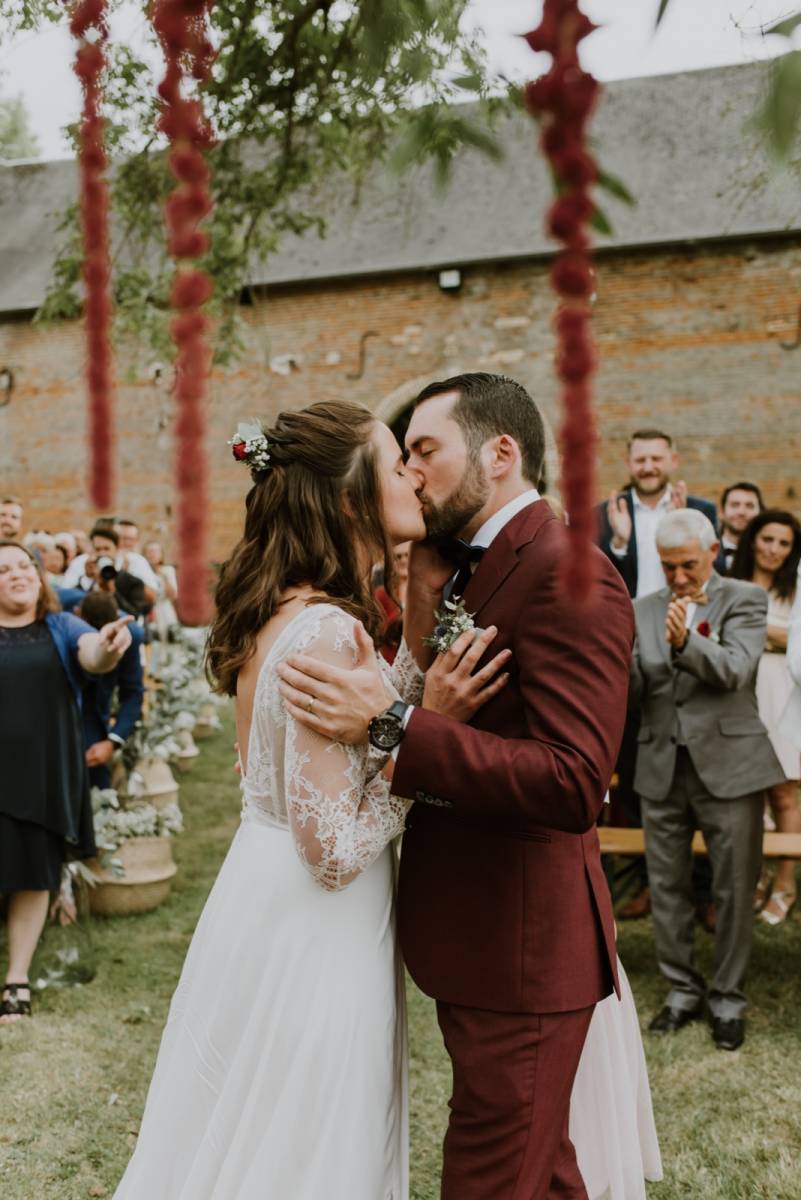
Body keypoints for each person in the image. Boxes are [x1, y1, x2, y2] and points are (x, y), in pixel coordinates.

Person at [113, 401, 510, 1200]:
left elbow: (339, 755)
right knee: (305, 1141)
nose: (413, 476)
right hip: (314, 918)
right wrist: (427, 740)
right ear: (351, 500)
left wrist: (415, 681)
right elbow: (331, 850)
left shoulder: (287, 610)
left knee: (250, 1126)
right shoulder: (325, 630)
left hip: (260, 889)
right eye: (395, 463)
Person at [279, 374, 654, 1200]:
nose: (410, 472)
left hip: (522, 944)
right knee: (538, 1169)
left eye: (424, 450)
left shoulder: (565, 572)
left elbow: (572, 780)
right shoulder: (463, 567)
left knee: (492, 1173)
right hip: (479, 934)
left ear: (499, 452)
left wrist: (394, 724)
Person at [630, 509, 784, 1051]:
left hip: (731, 767)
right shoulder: (640, 610)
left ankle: (728, 1000)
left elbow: (736, 670)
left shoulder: (746, 599)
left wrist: (683, 645)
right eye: (668, 566)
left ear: (713, 552)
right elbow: (633, 691)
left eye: (688, 565)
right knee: (667, 887)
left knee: (733, 888)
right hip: (659, 766)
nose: (678, 577)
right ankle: (681, 991)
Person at [0, 541, 133, 1023]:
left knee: (34, 875)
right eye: (4, 570)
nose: (17, 574)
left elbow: (93, 654)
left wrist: (108, 645)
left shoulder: (61, 626)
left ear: (39, 578)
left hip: (41, 775)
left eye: (24, 566)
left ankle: (16, 978)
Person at [597, 430, 720, 922]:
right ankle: (652, 882)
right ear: (628, 462)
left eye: (656, 458)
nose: (648, 466)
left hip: (691, 646)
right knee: (637, 775)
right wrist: (620, 544)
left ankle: (705, 891)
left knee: (700, 773)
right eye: (640, 458)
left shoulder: (701, 510)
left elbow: (718, 578)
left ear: (673, 459)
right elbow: (600, 583)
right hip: (634, 652)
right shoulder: (606, 517)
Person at [730, 509, 801, 925]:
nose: (774, 549)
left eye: (784, 543)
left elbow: (797, 643)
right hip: (738, 698)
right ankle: (756, 875)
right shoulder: (733, 582)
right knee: (747, 798)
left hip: (783, 698)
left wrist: (754, 632)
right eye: (767, 539)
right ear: (753, 539)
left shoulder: (795, 591)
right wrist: (778, 637)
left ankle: (785, 883)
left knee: (784, 795)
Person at [78, 591, 145, 789]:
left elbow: (133, 693)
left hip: (95, 721)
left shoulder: (131, 637)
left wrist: (112, 742)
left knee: (99, 788)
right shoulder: (60, 619)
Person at [61, 525, 155, 617]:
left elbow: (134, 616)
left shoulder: (132, 582)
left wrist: (112, 592)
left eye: (107, 549)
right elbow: (68, 601)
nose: (102, 553)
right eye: (98, 549)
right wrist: (87, 578)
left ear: (116, 549)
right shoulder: (83, 570)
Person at [375, 540, 411, 663]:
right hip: (391, 657)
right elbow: (376, 629)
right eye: (398, 557)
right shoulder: (382, 593)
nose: (403, 560)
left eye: (407, 555)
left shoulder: (426, 591)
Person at [718, 482, 764, 573]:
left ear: (761, 513)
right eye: (735, 505)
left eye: (749, 506)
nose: (741, 512)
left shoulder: (770, 553)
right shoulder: (706, 551)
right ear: (721, 512)